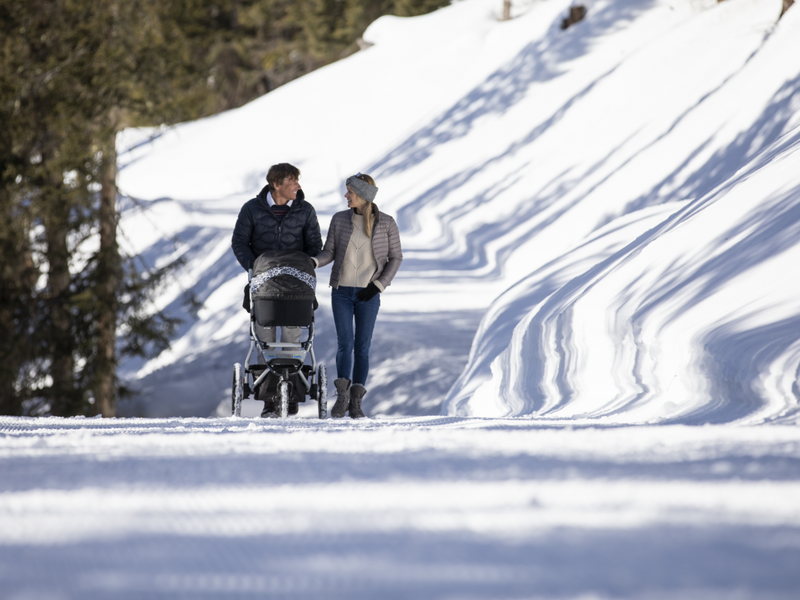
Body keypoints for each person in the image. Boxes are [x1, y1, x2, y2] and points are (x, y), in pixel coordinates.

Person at [231, 163, 322, 417]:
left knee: (293, 335)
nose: (298, 186)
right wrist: (255, 266)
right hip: (263, 284)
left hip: (295, 285)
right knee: (265, 336)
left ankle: (291, 393)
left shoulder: (305, 211)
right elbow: (239, 241)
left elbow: (315, 245)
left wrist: (303, 267)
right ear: (276, 184)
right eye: (292, 181)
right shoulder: (252, 209)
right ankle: (270, 398)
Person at [312, 173, 403, 418]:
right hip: (341, 292)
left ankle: (356, 403)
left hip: (369, 294)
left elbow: (396, 258)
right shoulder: (339, 220)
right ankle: (341, 398)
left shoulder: (386, 223)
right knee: (345, 344)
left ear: (362, 195)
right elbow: (329, 252)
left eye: (349, 191)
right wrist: (313, 262)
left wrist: (379, 285)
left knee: (362, 347)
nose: (346, 195)